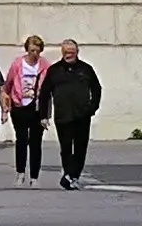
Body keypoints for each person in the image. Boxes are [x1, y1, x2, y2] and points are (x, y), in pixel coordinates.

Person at [43, 38, 101, 190]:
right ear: (62, 53)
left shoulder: (86, 69)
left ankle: (74, 175)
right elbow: (44, 93)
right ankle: (68, 174)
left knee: (81, 147)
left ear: (77, 52)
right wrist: (43, 115)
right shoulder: (54, 70)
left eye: (72, 52)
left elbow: (96, 89)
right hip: (63, 116)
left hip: (82, 115)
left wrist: (92, 108)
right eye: (66, 52)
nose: (69, 55)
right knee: (66, 148)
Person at [3, 34, 49, 182]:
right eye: (32, 50)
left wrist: (46, 113)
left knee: (36, 141)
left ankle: (34, 175)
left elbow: (48, 89)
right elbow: (8, 83)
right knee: (21, 139)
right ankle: (20, 172)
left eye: (37, 51)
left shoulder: (44, 66)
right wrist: (7, 104)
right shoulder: (18, 64)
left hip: (36, 106)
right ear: (27, 50)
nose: (34, 54)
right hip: (19, 105)